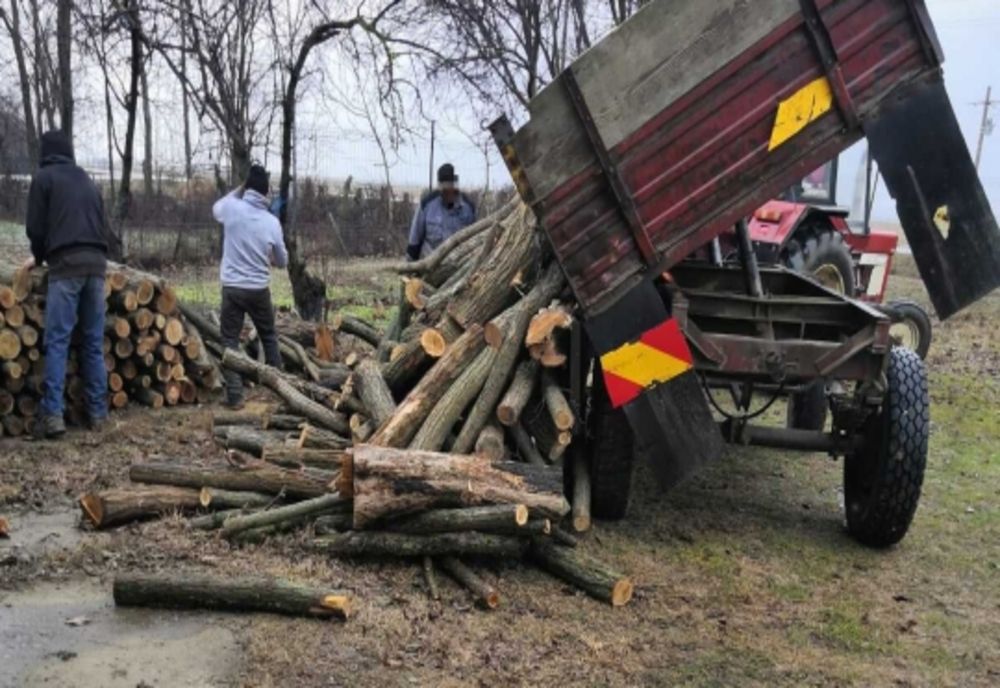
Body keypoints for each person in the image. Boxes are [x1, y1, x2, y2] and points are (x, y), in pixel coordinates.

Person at [25, 130, 110, 439]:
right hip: (97, 264)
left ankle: (52, 415)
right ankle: (98, 413)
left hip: (66, 264)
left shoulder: (44, 178)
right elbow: (104, 225)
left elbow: (35, 228)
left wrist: (39, 257)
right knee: (92, 342)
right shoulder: (86, 179)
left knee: (57, 340)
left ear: (46, 153)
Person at [213, 164, 288, 409]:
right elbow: (282, 261)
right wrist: (270, 255)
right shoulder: (272, 222)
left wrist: (239, 189)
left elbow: (216, 209)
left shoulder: (232, 209)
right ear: (266, 194)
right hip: (258, 290)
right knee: (268, 337)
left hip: (233, 288)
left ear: (247, 188)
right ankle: (283, 394)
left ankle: (235, 396)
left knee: (230, 340)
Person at [406, 163, 476, 260]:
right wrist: (410, 270)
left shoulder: (468, 209)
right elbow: (414, 243)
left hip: (459, 267)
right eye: (443, 190)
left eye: (449, 189)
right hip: (430, 265)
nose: (447, 193)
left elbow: (475, 243)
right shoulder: (427, 205)